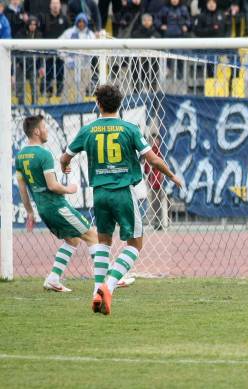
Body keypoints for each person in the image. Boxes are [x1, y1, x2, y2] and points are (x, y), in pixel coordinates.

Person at [60, 84, 183, 315]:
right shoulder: (130, 129)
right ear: (120, 104)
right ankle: (109, 286)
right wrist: (171, 175)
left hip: (100, 194)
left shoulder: (88, 130)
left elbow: (65, 157)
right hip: (122, 193)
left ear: (98, 104)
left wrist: (65, 167)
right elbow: (153, 159)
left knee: (104, 242)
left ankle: (96, 291)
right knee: (135, 244)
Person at [15, 115, 98, 293]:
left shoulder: (20, 157)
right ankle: (104, 281)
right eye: (44, 127)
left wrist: (30, 212)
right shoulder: (44, 154)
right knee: (92, 236)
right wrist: (70, 189)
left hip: (44, 209)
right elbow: (52, 185)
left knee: (73, 239)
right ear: (36, 131)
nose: (46, 131)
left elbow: (23, 189)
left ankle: (53, 279)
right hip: (57, 207)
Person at [59, 13, 95, 103]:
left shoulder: (90, 34)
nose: (81, 23)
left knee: (82, 88)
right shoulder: (69, 32)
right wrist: (66, 59)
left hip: (85, 66)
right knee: (67, 86)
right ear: (76, 22)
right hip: (71, 66)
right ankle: (64, 104)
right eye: (79, 21)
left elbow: (95, 49)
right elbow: (58, 45)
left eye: (83, 21)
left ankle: (80, 104)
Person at [40, 0, 69, 98]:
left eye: (57, 3)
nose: (55, 6)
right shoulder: (45, 18)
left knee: (60, 75)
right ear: (50, 5)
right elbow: (41, 35)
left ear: (60, 5)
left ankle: (59, 94)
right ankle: (48, 93)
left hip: (61, 54)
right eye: (53, 3)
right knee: (48, 75)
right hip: (48, 53)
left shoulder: (64, 19)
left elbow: (68, 35)